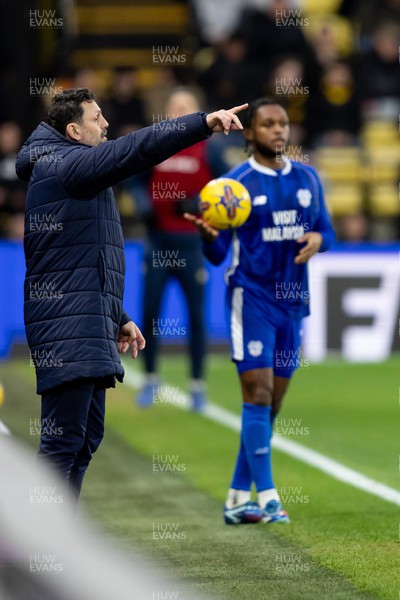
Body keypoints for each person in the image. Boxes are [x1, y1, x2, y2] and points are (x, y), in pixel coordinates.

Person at [15, 88, 247, 501]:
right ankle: (39, 553)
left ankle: (59, 541)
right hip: (67, 327)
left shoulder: (68, 166)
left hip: (83, 318)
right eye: (97, 118)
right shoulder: (67, 165)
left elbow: (78, 258)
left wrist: (116, 314)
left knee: (84, 439)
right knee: (62, 444)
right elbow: (134, 150)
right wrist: (202, 123)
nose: (106, 125)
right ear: (73, 130)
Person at [185, 98, 335, 524]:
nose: (278, 130)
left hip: (293, 304)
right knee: (258, 394)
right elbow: (216, 256)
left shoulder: (307, 178)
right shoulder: (234, 186)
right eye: (268, 124)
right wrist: (209, 237)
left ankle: (236, 497)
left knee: (272, 406)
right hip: (251, 298)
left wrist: (319, 242)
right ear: (249, 133)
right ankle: (268, 497)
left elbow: (327, 228)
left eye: (283, 124)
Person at [133, 88, 229, 411]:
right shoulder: (155, 144)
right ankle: (149, 379)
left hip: (191, 244)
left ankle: (197, 384)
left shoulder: (209, 150)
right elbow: (132, 178)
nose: (180, 112)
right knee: (149, 311)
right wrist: (144, 204)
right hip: (158, 242)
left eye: (187, 107)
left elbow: (227, 189)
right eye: (175, 107)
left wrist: (201, 204)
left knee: (197, 317)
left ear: (196, 112)